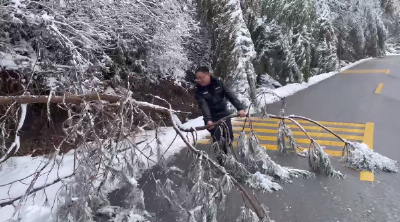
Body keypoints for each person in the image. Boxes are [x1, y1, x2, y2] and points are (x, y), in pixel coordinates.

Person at [194, 66, 247, 165]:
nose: (199, 80)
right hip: (211, 119)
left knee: (228, 138)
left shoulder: (219, 83)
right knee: (218, 141)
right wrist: (209, 120)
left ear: (208, 75)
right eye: (198, 78)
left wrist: (240, 108)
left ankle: (230, 159)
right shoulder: (198, 91)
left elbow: (230, 95)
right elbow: (204, 106)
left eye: (201, 77)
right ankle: (221, 164)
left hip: (224, 115)